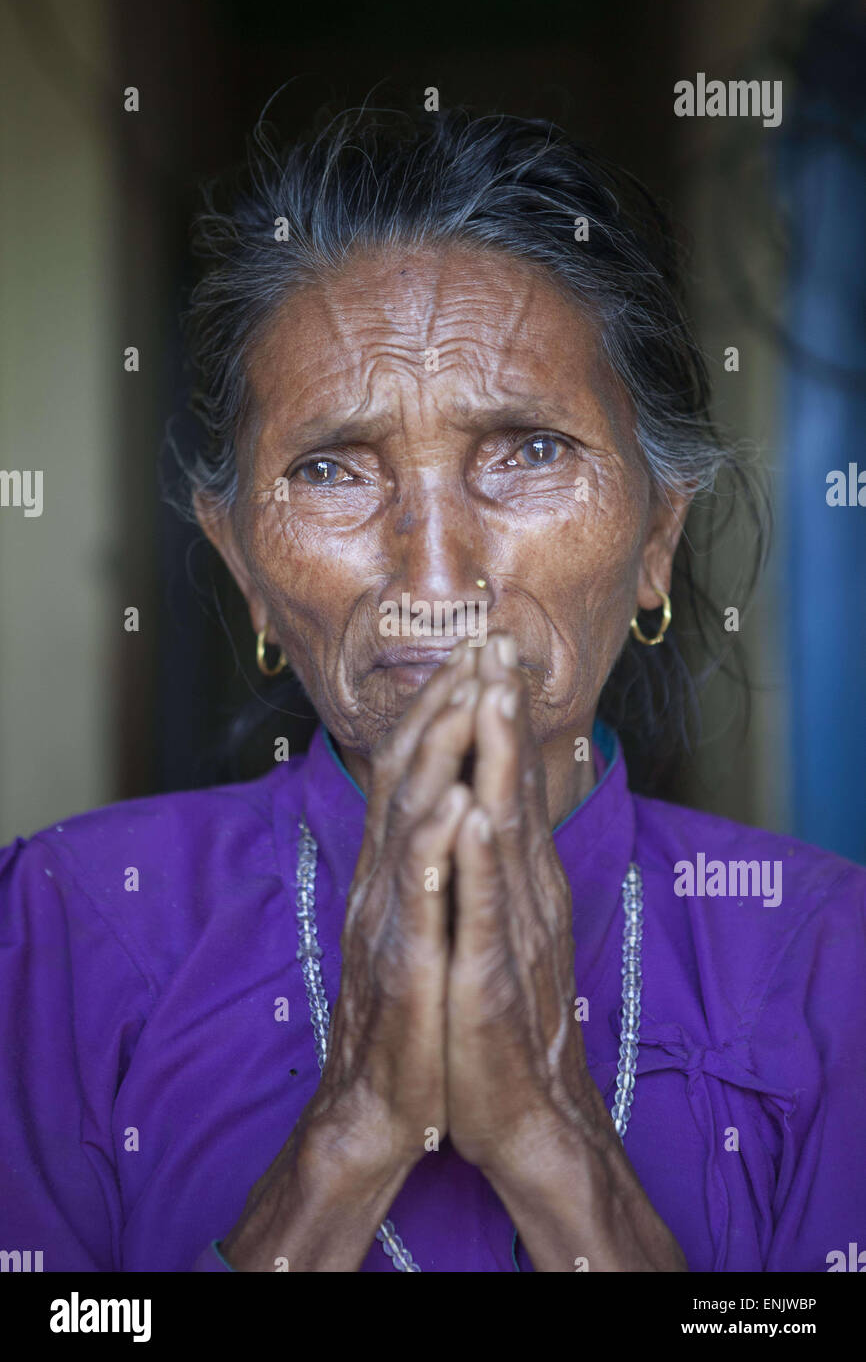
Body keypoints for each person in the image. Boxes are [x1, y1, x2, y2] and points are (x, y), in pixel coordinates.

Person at [1, 106, 863, 1274]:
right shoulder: (59, 926)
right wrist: (350, 1131)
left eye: (527, 450)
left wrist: (555, 1141)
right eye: (331, 469)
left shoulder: (827, 959)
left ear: (659, 532)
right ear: (245, 562)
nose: (436, 573)